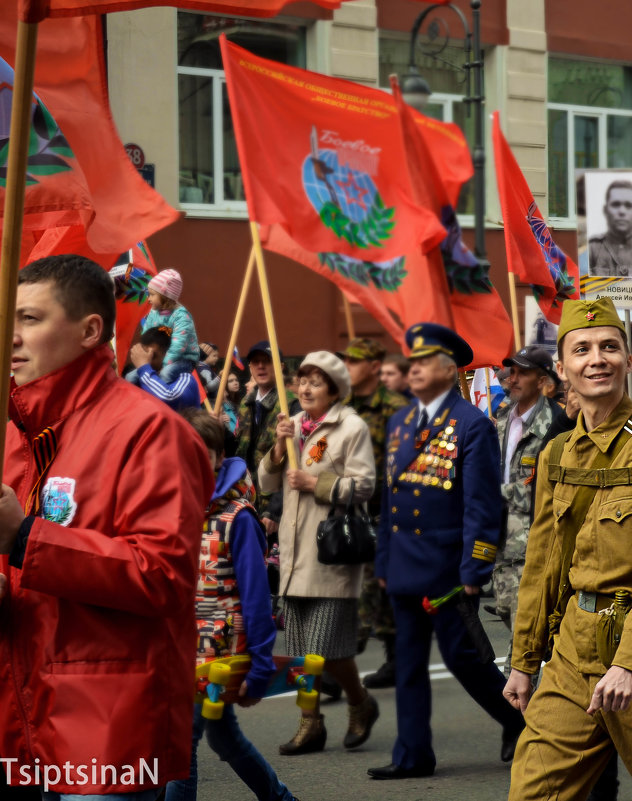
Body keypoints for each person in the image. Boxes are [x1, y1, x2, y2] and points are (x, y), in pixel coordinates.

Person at [0, 254, 214, 798]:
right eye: (7, 319)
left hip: (105, 723)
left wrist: (26, 538)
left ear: (91, 329)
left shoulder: (149, 432)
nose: (11, 337)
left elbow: (163, 574)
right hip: (19, 714)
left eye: (29, 319)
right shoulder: (11, 435)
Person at [503, 297, 632, 801]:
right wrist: (524, 658)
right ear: (561, 369)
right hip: (574, 652)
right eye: (581, 349)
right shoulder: (556, 453)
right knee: (534, 793)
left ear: (628, 359)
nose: (596, 358)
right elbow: (543, 563)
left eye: (609, 347)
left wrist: (631, 663)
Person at [371, 323, 525, 780]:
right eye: (411, 363)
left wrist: (474, 568)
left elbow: (482, 505)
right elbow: (389, 499)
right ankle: (412, 754)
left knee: (464, 658)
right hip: (403, 563)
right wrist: (383, 560)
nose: (412, 370)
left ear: (447, 368)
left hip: (446, 568)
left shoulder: (471, 424)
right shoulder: (400, 422)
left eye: (422, 363)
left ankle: (518, 721)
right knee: (408, 663)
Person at [166, 410, 296, 801]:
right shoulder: (173, 512)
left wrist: (259, 667)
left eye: (201, 452)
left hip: (219, 651)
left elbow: (257, 600)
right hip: (180, 647)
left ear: (220, 457)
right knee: (225, 741)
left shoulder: (238, 519)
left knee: (179, 746)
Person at [259, 351, 379, 755]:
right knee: (300, 650)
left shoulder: (351, 427)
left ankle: (358, 702)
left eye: (316, 381)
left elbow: (365, 486)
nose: (306, 388)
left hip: (330, 553)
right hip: (293, 554)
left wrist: (316, 484)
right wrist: (278, 448)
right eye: (302, 380)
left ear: (334, 388)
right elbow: (266, 484)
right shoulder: (290, 425)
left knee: (322, 650)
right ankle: (314, 722)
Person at [494, 345, 567, 674]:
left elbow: (544, 491)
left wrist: (492, 493)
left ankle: (523, 715)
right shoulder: (500, 418)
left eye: (523, 372)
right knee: (511, 617)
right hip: (500, 544)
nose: (513, 378)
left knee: (525, 639)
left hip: (534, 543)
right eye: (511, 372)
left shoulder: (557, 424)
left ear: (543, 379)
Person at [344, 337, 409, 689]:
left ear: (373, 366)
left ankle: (342, 668)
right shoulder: (342, 407)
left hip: (385, 513)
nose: (348, 367)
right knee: (352, 588)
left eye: (354, 362)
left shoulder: (396, 408)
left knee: (376, 590)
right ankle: (346, 663)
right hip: (347, 512)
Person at [235, 341, 300, 530]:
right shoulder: (245, 404)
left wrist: (275, 510)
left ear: (281, 367)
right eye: (255, 362)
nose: (261, 366)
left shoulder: (293, 406)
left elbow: (295, 460)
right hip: (246, 500)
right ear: (250, 368)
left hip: (275, 507)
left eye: (267, 361)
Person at [588, 181, 632, 278]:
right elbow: (585, 289)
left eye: (628, 205)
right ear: (605, 210)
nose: (622, 211)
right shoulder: (591, 249)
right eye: (615, 204)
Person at [140, 267, 200, 383]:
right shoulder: (153, 313)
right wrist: (145, 357)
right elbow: (147, 335)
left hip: (184, 358)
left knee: (165, 374)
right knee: (132, 376)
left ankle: (163, 400)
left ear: (165, 297)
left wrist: (162, 365)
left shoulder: (181, 317)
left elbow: (177, 346)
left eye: (152, 295)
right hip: (160, 357)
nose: (148, 299)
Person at [128, 327, 203, 410]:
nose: (147, 360)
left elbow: (168, 397)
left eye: (153, 356)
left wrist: (144, 368)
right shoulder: (140, 379)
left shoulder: (187, 380)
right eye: (144, 354)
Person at [221, 372, 245, 436]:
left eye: (236, 380)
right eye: (231, 381)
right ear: (224, 385)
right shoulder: (223, 406)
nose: (236, 383)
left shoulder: (241, 400)